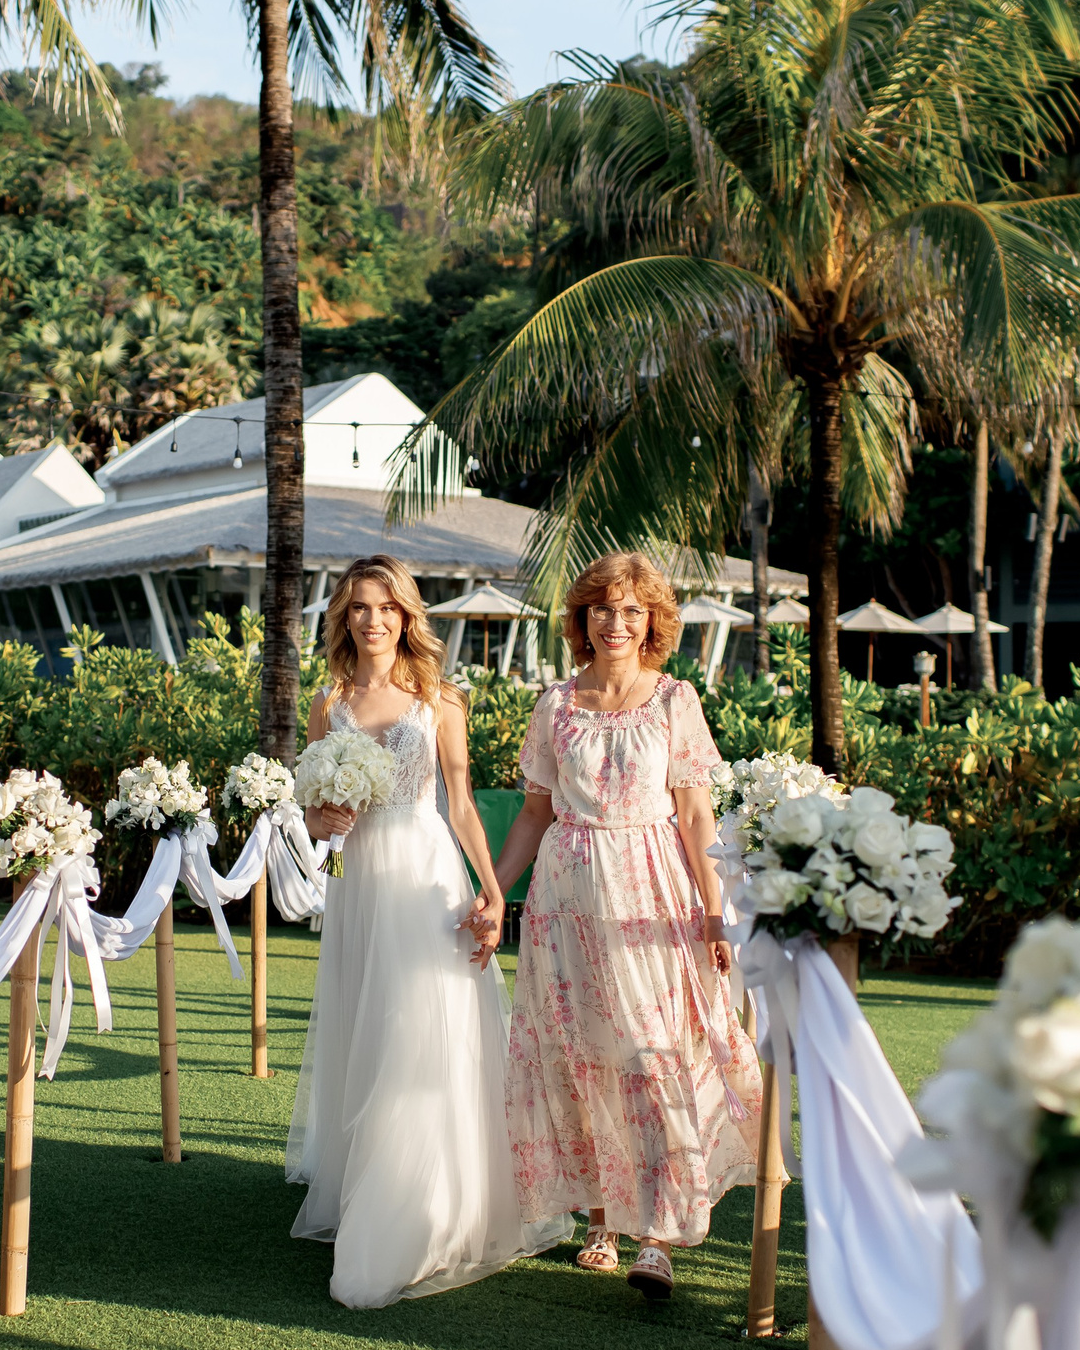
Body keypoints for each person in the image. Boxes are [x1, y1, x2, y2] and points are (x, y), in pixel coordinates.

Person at [473, 551, 760, 1302]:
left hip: (651, 896)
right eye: (602, 608)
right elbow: (534, 813)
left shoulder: (675, 700)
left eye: (632, 609)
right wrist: (493, 891)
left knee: (652, 1054)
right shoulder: (555, 705)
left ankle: (657, 1235)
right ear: (582, 618)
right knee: (582, 1057)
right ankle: (601, 1219)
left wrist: (715, 911)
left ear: (653, 621)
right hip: (565, 902)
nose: (616, 622)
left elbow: (696, 817)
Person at [288, 555, 570, 1306]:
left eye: (387, 607)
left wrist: (492, 890)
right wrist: (323, 817)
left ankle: (423, 1207)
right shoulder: (328, 702)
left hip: (424, 877)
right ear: (343, 617)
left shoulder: (440, 700)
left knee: (422, 1030)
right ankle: (366, 1184)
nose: (373, 620)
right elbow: (311, 812)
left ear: (407, 616)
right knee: (366, 1024)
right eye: (359, 607)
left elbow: (462, 803)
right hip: (357, 882)